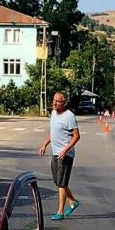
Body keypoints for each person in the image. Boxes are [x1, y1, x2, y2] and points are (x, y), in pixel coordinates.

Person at [38, 91, 81, 221]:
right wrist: (45, 144)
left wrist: (65, 150)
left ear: (64, 103)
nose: (54, 103)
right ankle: (73, 201)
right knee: (58, 181)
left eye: (58, 101)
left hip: (65, 155)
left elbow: (77, 136)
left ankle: (60, 211)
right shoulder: (53, 114)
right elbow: (54, 133)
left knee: (62, 184)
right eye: (54, 100)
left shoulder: (69, 116)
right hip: (55, 153)